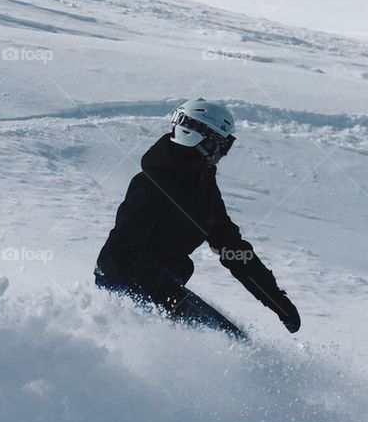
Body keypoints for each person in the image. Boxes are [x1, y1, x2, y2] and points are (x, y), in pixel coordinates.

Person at [95, 99, 301, 339]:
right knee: (229, 344)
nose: (223, 153)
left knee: (235, 341)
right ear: (198, 138)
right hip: (126, 285)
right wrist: (167, 292)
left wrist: (276, 300)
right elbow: (119, 253)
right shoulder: (150, 185)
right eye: (223, 144)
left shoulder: (202, 186)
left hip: (163, 288)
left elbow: (231, 247)